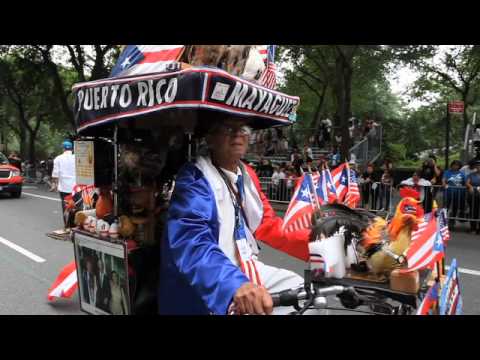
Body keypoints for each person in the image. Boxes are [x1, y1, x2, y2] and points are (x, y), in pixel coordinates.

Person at [158, 117, 311, 315]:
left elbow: (270, 225)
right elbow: (192, 242)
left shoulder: (247, 174)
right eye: (228, 128)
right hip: (212, 279)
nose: (238, 133)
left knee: (308, 298)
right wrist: (233, 284)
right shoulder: (194, 178)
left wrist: (318, 244)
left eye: (243, 128)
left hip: (245, 268)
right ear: (210, 138)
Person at [52, 141, 76, 227]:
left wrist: (54, 185)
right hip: (75, 187)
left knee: (66, 205)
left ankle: (67, 225)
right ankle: (74, 224)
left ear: (63, 148)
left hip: (64, 187)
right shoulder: (76, 158)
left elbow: (55, 174)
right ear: (71, 148)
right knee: (75, 205)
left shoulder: (58, 158)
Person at [442, 160, 466, 229]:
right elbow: (444, 179)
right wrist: (443, 183)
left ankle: (452, 221)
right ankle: (443, 221)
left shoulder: (461, 173)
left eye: (457, 165)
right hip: (448, 192)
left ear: (459, 166)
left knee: (455, 207)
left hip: (458, 193)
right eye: (454, 165)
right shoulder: (447, 172)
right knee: (446, 207)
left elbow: (465, 182)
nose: (455, 166)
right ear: (451, 165)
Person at [466, 160, 480, 234]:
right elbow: (467, 183)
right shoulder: (471, 174)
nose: (478, 166)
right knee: (473, 211)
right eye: (477, 165)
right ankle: (473, 228)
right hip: (473, 196)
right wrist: (470, 186)